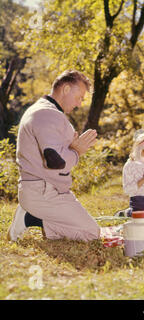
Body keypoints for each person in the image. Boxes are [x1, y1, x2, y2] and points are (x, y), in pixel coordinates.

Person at [7, 70, 100, 242]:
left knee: (88, 228)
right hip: (43, 192)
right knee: (91, 234)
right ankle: (31, 217)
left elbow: (54, 155)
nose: (79, 104)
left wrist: (71, 148)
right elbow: (55, 162)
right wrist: (76, 151)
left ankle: (34, 215)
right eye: (79, 97)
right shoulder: (48, 114)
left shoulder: (43, 110)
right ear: (65, 89)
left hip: (46, 189)